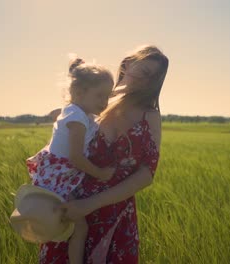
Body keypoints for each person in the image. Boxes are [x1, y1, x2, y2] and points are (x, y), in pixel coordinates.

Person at [39, 45, 169, 263]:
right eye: (144, 72)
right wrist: (46, 183)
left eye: (153, 78)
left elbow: (147, 174)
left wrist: (90, 204)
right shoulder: (95, 105)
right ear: (127, 64)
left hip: (114, 214)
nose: (147, 81)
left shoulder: (150, 116)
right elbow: (62, 146)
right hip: (70, 206)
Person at [26, 57, 115, 264]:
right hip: (59, 176)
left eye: (107, 96)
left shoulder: (81, 113)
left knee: (64, 224)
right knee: (75, 226)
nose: (105, 102)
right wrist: (100, 174)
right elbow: (76, 158)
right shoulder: (77, 118)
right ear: (78, 93)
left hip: (59, 174)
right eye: (99, 96)